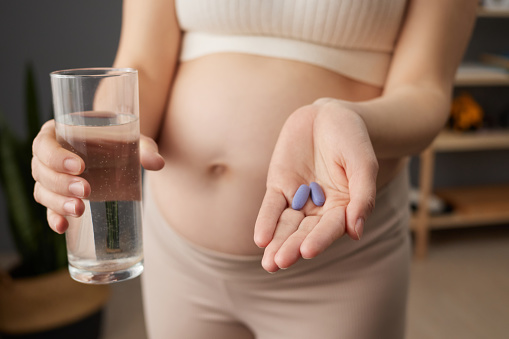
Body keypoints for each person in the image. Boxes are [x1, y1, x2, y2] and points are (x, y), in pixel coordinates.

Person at [31, 0, 478, 338]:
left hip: (338, 262)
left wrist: (351, 118)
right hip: (178, 257)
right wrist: (96, 146)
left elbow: (425, 90)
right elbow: (141, 67)